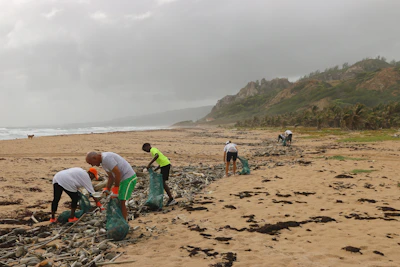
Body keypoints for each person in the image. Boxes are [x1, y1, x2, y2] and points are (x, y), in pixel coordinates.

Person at [86, 151, 137, 221]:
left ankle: (124, 222)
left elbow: (117, 173)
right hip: (123, 180)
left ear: (94, 158)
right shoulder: (103, 162)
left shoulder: (107, 158)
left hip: (128, 178)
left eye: (91, 163)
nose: (92, 165)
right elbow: (111, 177)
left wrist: (115, 190)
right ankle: (121, 219)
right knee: (118, 200)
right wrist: (107, 188)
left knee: (122, 201)